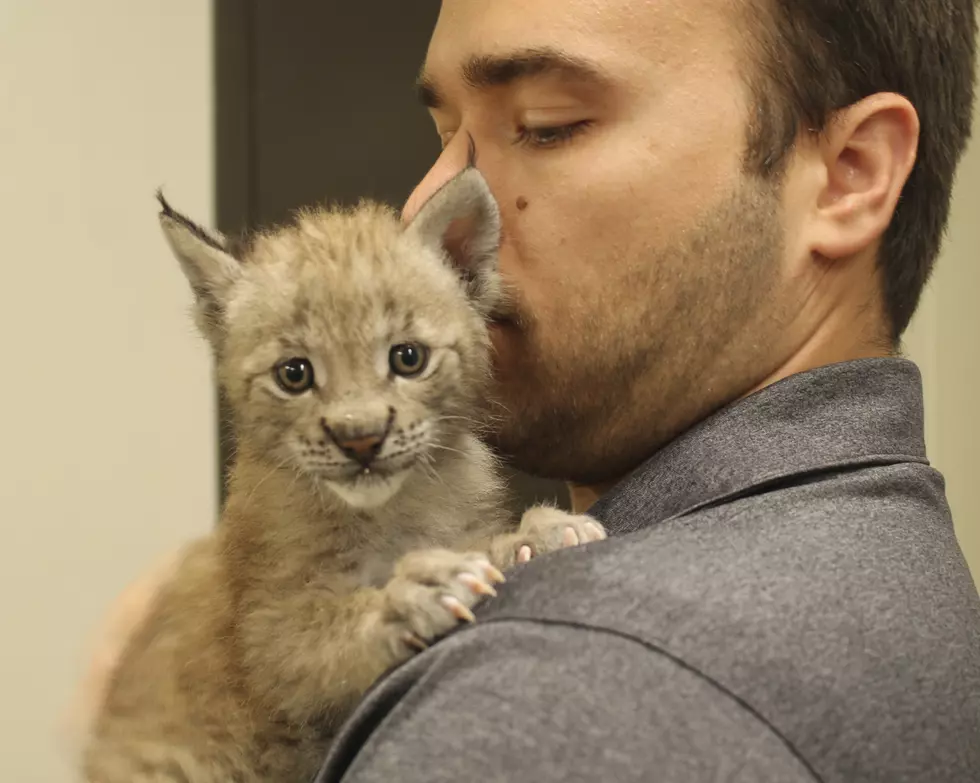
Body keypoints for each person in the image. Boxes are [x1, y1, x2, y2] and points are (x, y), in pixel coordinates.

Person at [80, 1, 980, 780]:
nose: (434, 200)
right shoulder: (899, 566)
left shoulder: (555, 695)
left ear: (850, 172)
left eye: (548, 123)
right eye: (444, 137)